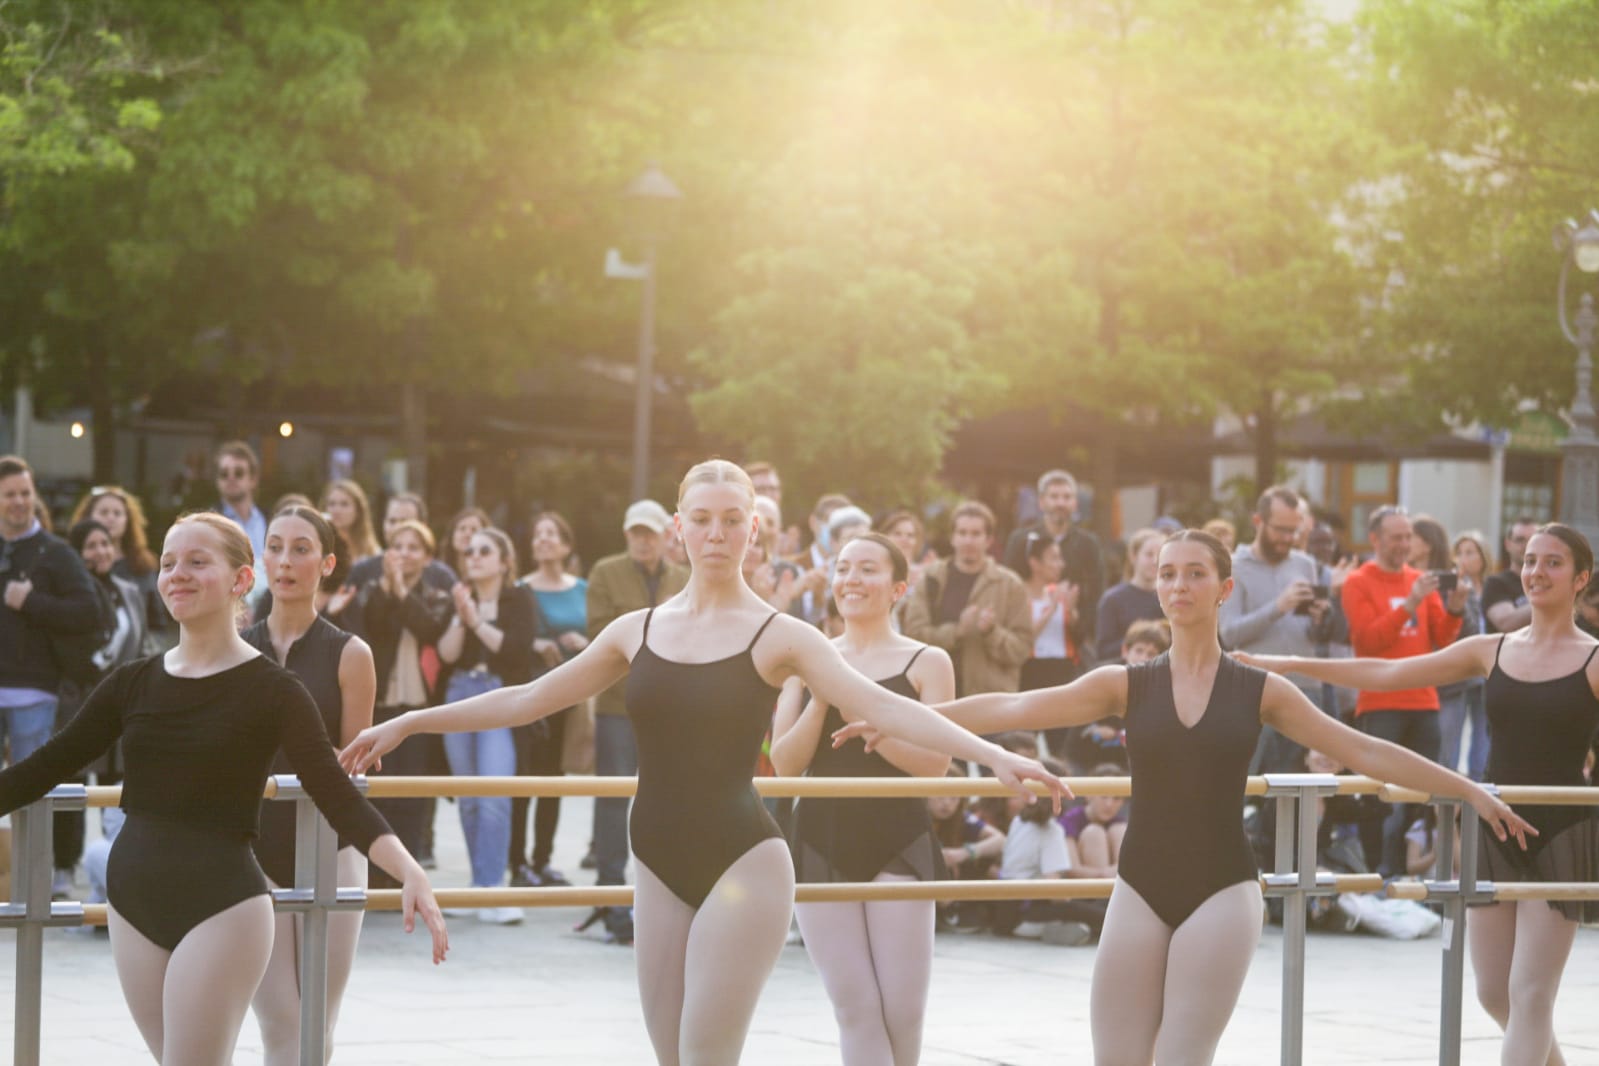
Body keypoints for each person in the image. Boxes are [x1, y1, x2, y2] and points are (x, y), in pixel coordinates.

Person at [341, 459, 1064, 1066]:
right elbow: (530, 698)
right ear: (678, 529)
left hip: (743, 860)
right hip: (653, 856)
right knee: (671, 1055)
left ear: (754, 532)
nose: (715, 533)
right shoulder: (637, 629)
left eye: (730, 520)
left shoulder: (782, 634)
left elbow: (886, 706)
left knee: (705, 1055)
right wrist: (411, 720)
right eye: (701, 518)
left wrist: (994, 757)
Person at [839, 529, 1529, 1066]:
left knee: (1178, 1059)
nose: (1177, 584)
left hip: (1222, 888)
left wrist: (1467, 788)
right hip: (1139, 884)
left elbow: (1367, 751)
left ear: (1223, 588)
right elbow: (1017, 705)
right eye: (1166, 573)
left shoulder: (1260, 689)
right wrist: (898, 715)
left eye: (1194, 573)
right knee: (1115, 1058)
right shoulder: (1125, 683)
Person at [0, 512, 446, 1066]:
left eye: (196, 562)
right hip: (133, 903)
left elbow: (335, 792)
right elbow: (45, 766)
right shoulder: (131, 682)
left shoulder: (274, 690)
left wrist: (409, 870)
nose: (176, 574)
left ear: (240, 579)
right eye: (167, 563)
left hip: (224, 906)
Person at [1239, 522, 1599, 1066]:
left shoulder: (1594, 660)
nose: (1536, 572)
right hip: (1492, 824)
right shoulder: (1489, 649)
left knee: (1530, 995)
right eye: (1529, 560)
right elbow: (1389, 672)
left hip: (1563, 831)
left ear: (1581, 579)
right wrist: (1289, 665)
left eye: (1552, 563)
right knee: (1493, 995)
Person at [770, 533, 956, 1066]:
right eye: (843, 568)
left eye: (867, 569)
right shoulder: (804, 659)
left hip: (898, 836)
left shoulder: (928, 661)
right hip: (821, 841)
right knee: (855, 1009)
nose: (852, 579)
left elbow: (936, 765)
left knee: (902, 1010)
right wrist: (824, 695)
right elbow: (784, 765)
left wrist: (879, 728)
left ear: (898, 587)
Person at [242, 506, 379, 1064]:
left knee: (316, 1023)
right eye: (274, 546)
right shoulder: (237, 649)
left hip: (332, 847)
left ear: (326, 564)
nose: (285, 560)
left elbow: (354, 770)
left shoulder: (351, 654)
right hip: (251, 851)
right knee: (280, 1023)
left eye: (301, 549)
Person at [1341, 506, 1469, 876]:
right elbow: (1368, 642)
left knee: (1422, 796)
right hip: (1380, 702)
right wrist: (1410, 603)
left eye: (1408, 536)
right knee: (1382, 797)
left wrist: (1456, 610)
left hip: (1424, 701)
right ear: (1375, 539)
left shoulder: (1419, 578)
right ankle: (1380, 873)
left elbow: (1439, 640)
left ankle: (1413, 872)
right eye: (1396, 537)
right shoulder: (1358, 581)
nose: (1404, 544)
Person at [583, 498, 689, 941]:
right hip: (618, 706)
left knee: (673, 799)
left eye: (651, 533)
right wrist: (663, 624)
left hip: (676, 711)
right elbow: (604, 637)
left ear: (667, 535)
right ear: (626, 536)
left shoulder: (685, 577)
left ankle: (669, 897)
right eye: (635, 533)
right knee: (612, 801)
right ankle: (611, 900)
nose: (643, 541)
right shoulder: (605, 573)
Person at [436, 525, 536, 925]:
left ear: (504, 561)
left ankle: (494, 887)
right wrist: (462, 618)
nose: (474, 557)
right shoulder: (460, 597)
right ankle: (479, 886)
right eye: (470, 552)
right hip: (460, 693)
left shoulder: (519, 598)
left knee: (495, 792)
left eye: (484, 551)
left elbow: (514, 650)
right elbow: (446, 655)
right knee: (469, 796)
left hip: (498, 696)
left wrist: (476, 621)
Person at [53, 519, 150, 897]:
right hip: (79, 702)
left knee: (121, 794)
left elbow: (140, 641)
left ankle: (118, 876)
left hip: (122, 708)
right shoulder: (69, 594)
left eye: (105, 544)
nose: (100, 552)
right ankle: (64, 870)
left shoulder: (129, 590)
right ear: (76, 554)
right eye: (90, 546)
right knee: (72, 790)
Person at [350, 518, 452, 869]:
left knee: (413, 794)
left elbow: (428, 627)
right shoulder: (372, 590)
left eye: (413, 548)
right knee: (378, 792)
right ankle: (377, 874)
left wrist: (402, 593)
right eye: (398, 547)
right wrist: (389, 589)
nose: (404, 555)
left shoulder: (436, 594)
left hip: (420, 705)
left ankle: (407, 873)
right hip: (380, 703)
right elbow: (371, 625)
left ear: (427, 558)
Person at [1220, 486, 1339, 774]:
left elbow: (1315, 635)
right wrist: (1279, 606)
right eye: (1281, 530)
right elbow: (1228, 634)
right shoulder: (1233, 567)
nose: (1288, 538)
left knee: (1299, 785)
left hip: (1305, 689)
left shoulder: (1305, 564)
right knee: (1250, 782)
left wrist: (1322, 618)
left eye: (1294, 531)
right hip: (1253, 692)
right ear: (1258, 521)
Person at [1, 456, 101, 770]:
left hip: (34, 692)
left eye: (25, 493)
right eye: (10, 494)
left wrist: (32, 602)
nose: (19, 501)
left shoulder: (57, 552)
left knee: (30, 800)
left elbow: (88, 612)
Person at [515, 510, 586, 887]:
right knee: (524, 779)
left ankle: (543, 859)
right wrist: (534, 643)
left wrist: (585, 643)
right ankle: (518, 863)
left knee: (553, 780)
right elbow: (510, 637)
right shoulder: (519, 588)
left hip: (570, 695)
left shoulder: (583, 589)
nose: (542, 539)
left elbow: (600, 636)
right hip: (530, 693)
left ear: (566, 544)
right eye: (537, 534)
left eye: (551, 533)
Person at [901, 501, 1033, 698]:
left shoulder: (1010, 585)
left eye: (975, 534)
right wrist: (956, 632)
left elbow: (1021, 650)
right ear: (953, 538)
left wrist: (992, 632)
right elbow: (912, 637)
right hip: (934, 697)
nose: (968, 541)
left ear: (989, 540)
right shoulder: (931, 577)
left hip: (989, 703)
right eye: (962, 533)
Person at [1003, 469, 1105, 658]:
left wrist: (1080, 624)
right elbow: (1008, 588)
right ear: (1041, 502)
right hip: (1027, 640)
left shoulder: (1089, 545)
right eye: (1054, 496)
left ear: (1075, 504)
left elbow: (1096, 596)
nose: (1060, 503)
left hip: (1073, 644)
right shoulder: (1020, 540)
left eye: (1067, 497)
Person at [70, 485, 169, 645]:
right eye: (103, 512)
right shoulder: (72, 562)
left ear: (127, 520)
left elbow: (157, 625)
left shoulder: (143, 565)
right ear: (88, 517)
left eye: (117, 513)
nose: (111, 518)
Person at [1440, 530, 1491, 780]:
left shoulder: (1494, 587)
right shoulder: (1453, 587)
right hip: (1460, 669)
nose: (1463, 558)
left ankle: (1478, 785)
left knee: (1483, 734)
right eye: (1459, 553)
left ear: (1483, 557)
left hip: (1490, 670)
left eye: (1470, 552)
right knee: (1451, 733)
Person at [1021, 532, 1082, 693]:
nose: (1061, 564)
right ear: (1035, 563)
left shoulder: (1060, 591)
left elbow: (1077, 636)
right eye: (1054, 558)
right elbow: (1022, 638)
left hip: (1063, 669)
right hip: (1032, 670)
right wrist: (1051, 609)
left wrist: (1071, 610)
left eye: (1060, 558)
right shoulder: (1019, 594)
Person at [1094, 528, 1165, 663]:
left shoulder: (1171, 597)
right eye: (1149, 554)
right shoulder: (1113, 599)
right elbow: (1102, 651)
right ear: (1133, 556)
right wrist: (1140, 639)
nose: (1155, 561)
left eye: (1160, 555)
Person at [214, 441, 267, 570]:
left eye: (238, 473)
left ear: (253, 479)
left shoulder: (269, 518)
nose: (231, 478)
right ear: (217, 481)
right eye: (224, 474)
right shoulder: (209, 522)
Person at [1483, 517, 1538, 635]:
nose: (1527, 545)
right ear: (1507, 544)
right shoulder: (1496, 583)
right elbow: (1506, 623)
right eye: (1520, 540)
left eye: (1533, 540)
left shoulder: (1550, 581)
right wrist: (1551, 602)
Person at [320, 479, 381, 561]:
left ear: (358, 510)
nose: (336, 510)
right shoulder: (320, 545)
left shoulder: (372, 551)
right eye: (332, 504)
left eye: (344, 504)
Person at [439, 506, 492, 583]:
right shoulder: (438, 574)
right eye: (462, 528)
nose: (467, 534)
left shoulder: (490, 578)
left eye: (474, 529)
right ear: (452, 535)